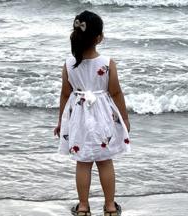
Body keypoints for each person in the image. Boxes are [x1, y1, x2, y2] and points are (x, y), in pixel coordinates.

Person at [54, 10, 131, 216]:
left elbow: (64, 94)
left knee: (83, 163)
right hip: (103, 116)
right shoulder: (107, 63)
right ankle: (110, 207)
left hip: (78, 117)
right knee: (105, 161)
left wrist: (61, 122)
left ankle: (83, 207)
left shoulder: (69, 64)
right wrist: (124, 118)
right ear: (99, 38)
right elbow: (115, 92)